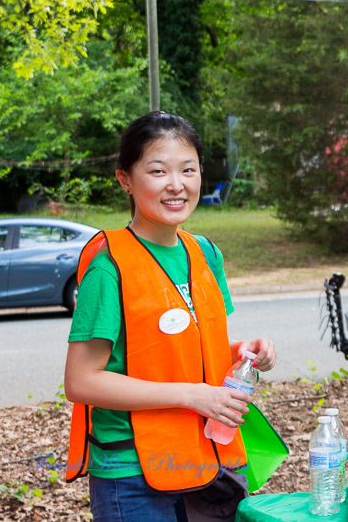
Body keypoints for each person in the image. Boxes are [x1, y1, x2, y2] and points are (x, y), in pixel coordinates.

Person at [64, 111, 277, 521]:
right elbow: (81, 380)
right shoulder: (110, 266)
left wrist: (243, 351)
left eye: (189, 170)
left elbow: (187, 347)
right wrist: (191, 395)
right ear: (125, 179)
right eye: (158, 171)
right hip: (133, 474)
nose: (176, 185)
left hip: (206, 462)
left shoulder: (204, 253)